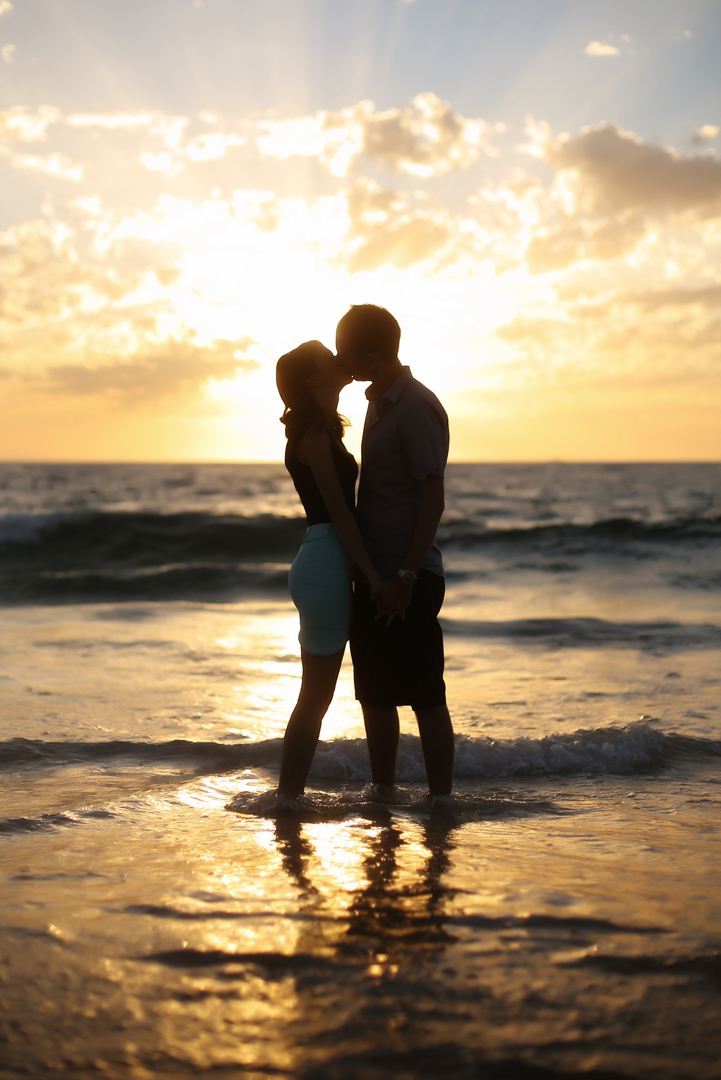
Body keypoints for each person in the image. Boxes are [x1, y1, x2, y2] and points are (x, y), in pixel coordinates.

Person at [335, 304, 455, 798]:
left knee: (425, 695)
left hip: (409, 578)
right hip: (375, 580)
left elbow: (432, 496)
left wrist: (405, 578)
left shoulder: (416, 407)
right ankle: (383, 797)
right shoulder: (376, 401)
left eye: (347, 353)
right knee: (376, 697)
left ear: (369, 354)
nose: (342, 362)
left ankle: (442, 803)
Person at [275, 340, 382, 801]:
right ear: (314, 380)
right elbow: (339, 512)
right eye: (328, 358)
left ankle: (289, 798)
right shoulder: (315, 439)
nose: (340, 359)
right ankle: (286, 800)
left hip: (326, 560)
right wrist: (374, 575)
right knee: (315, 700)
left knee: (315, 699)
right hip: (325, 563)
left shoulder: (324, 432)